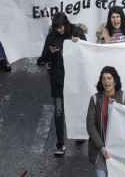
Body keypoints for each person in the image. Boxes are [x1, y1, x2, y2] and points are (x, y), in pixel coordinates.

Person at [41, 12, 87, 156]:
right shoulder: (52, 36)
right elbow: (43, 58)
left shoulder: (76, 32)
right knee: (59, 111)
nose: (59, 30)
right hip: (58, 79)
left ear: (66, 24)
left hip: (74, 78)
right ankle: (60, 144)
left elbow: (86, 51)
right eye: (57, 28)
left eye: (61, 27)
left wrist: (78, 43)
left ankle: (79, 134)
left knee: (76, 106)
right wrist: (50, 52)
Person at [86, 66, 125, 176]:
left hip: (119, 151)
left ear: (115, 81)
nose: (106, 81)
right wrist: (101, 147)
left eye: (109, 78)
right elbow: (90, 126)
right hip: (100, 149)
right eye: (103, 79)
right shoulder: (95, 99)